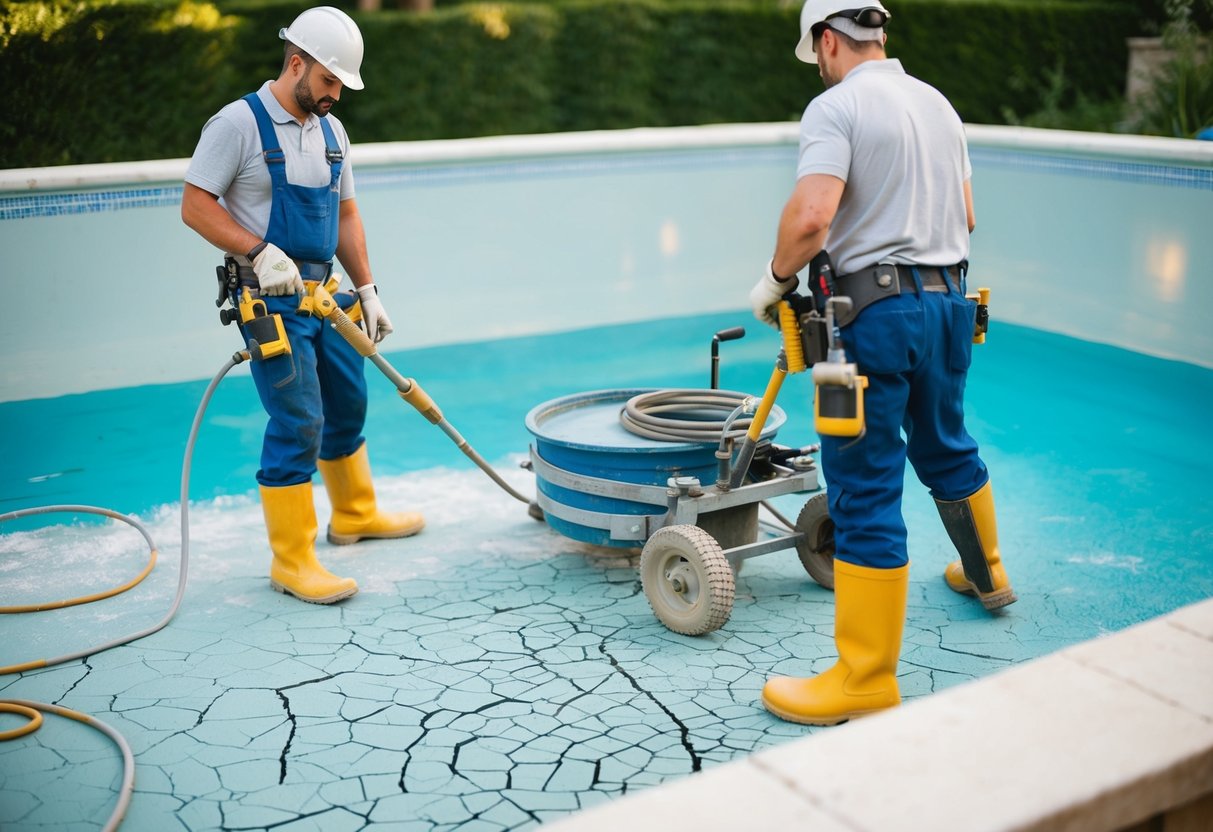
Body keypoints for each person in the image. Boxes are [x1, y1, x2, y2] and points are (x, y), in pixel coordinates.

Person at [749, 0, 1016, 725]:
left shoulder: (835, 109)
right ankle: (984, 572)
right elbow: (963, 217)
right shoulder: (936, 102)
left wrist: (774, 279)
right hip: (949, 306)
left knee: (862, 482)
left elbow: (812, 218)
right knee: (945, 443)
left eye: (819, 55)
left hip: (872, 320)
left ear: (828, 42)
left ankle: (864, 676)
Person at [182, 6, 423, 605]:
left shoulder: (332, 133)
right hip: (268, 300)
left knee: (348, 402)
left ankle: (356, 513)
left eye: (341, 85)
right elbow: (194, 204)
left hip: (325, 296)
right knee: (299, 421)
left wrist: (366, 289)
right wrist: (258, 251)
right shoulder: (237, 125)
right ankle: (292, 561)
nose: (336, 95)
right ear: (297, 63)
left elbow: (345, 214)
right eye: (329, 81)